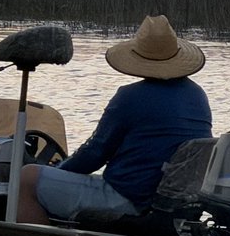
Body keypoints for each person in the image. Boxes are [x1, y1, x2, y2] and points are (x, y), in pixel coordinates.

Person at [16, 15, 212, 225]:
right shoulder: (198, 96)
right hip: (167, 203)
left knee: (27, 179)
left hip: (127, 199)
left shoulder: (130, 96)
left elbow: (94, 154)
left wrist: (57, 169)